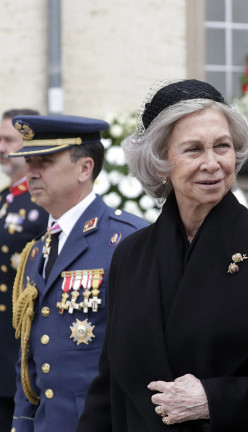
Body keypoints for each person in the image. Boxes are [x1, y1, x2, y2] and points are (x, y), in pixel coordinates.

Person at [76, 79, 248, 432]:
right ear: (161, 160)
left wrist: (214, 399)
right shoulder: (130, 256)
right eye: (194, 149)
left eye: (222, 147)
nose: (212, 163)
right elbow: (110, 387)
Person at [10, 114, 149, 432]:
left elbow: (143, 351)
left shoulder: (127, 240)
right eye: (29, 162)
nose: (31, 173)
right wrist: (22, 423)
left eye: (44, 161)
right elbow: (28, 357)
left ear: (85, 168)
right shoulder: (38, 249)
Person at [0, 108, 48, 430]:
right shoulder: (6, 198)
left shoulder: (42, 203)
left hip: (18, 343)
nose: (1, 147)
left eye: (8, 139)